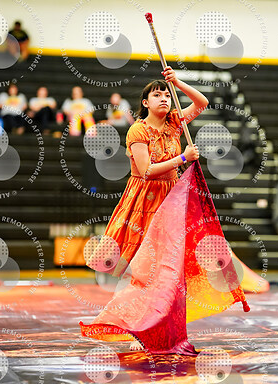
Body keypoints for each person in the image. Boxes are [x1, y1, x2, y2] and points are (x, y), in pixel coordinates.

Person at [80, 66, 208, 354]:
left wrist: (178, 82)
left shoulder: (175, 122)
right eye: (157, 95)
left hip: (171, 198)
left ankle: (161, 327)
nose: (164, 98)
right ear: (145, 103)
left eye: (167, 95)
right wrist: (183, 158)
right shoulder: (138, 130)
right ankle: (133, 325)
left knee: (168, 267)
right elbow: (147, 170)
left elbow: (202, 103)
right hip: (144, 201)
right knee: (142, 267)